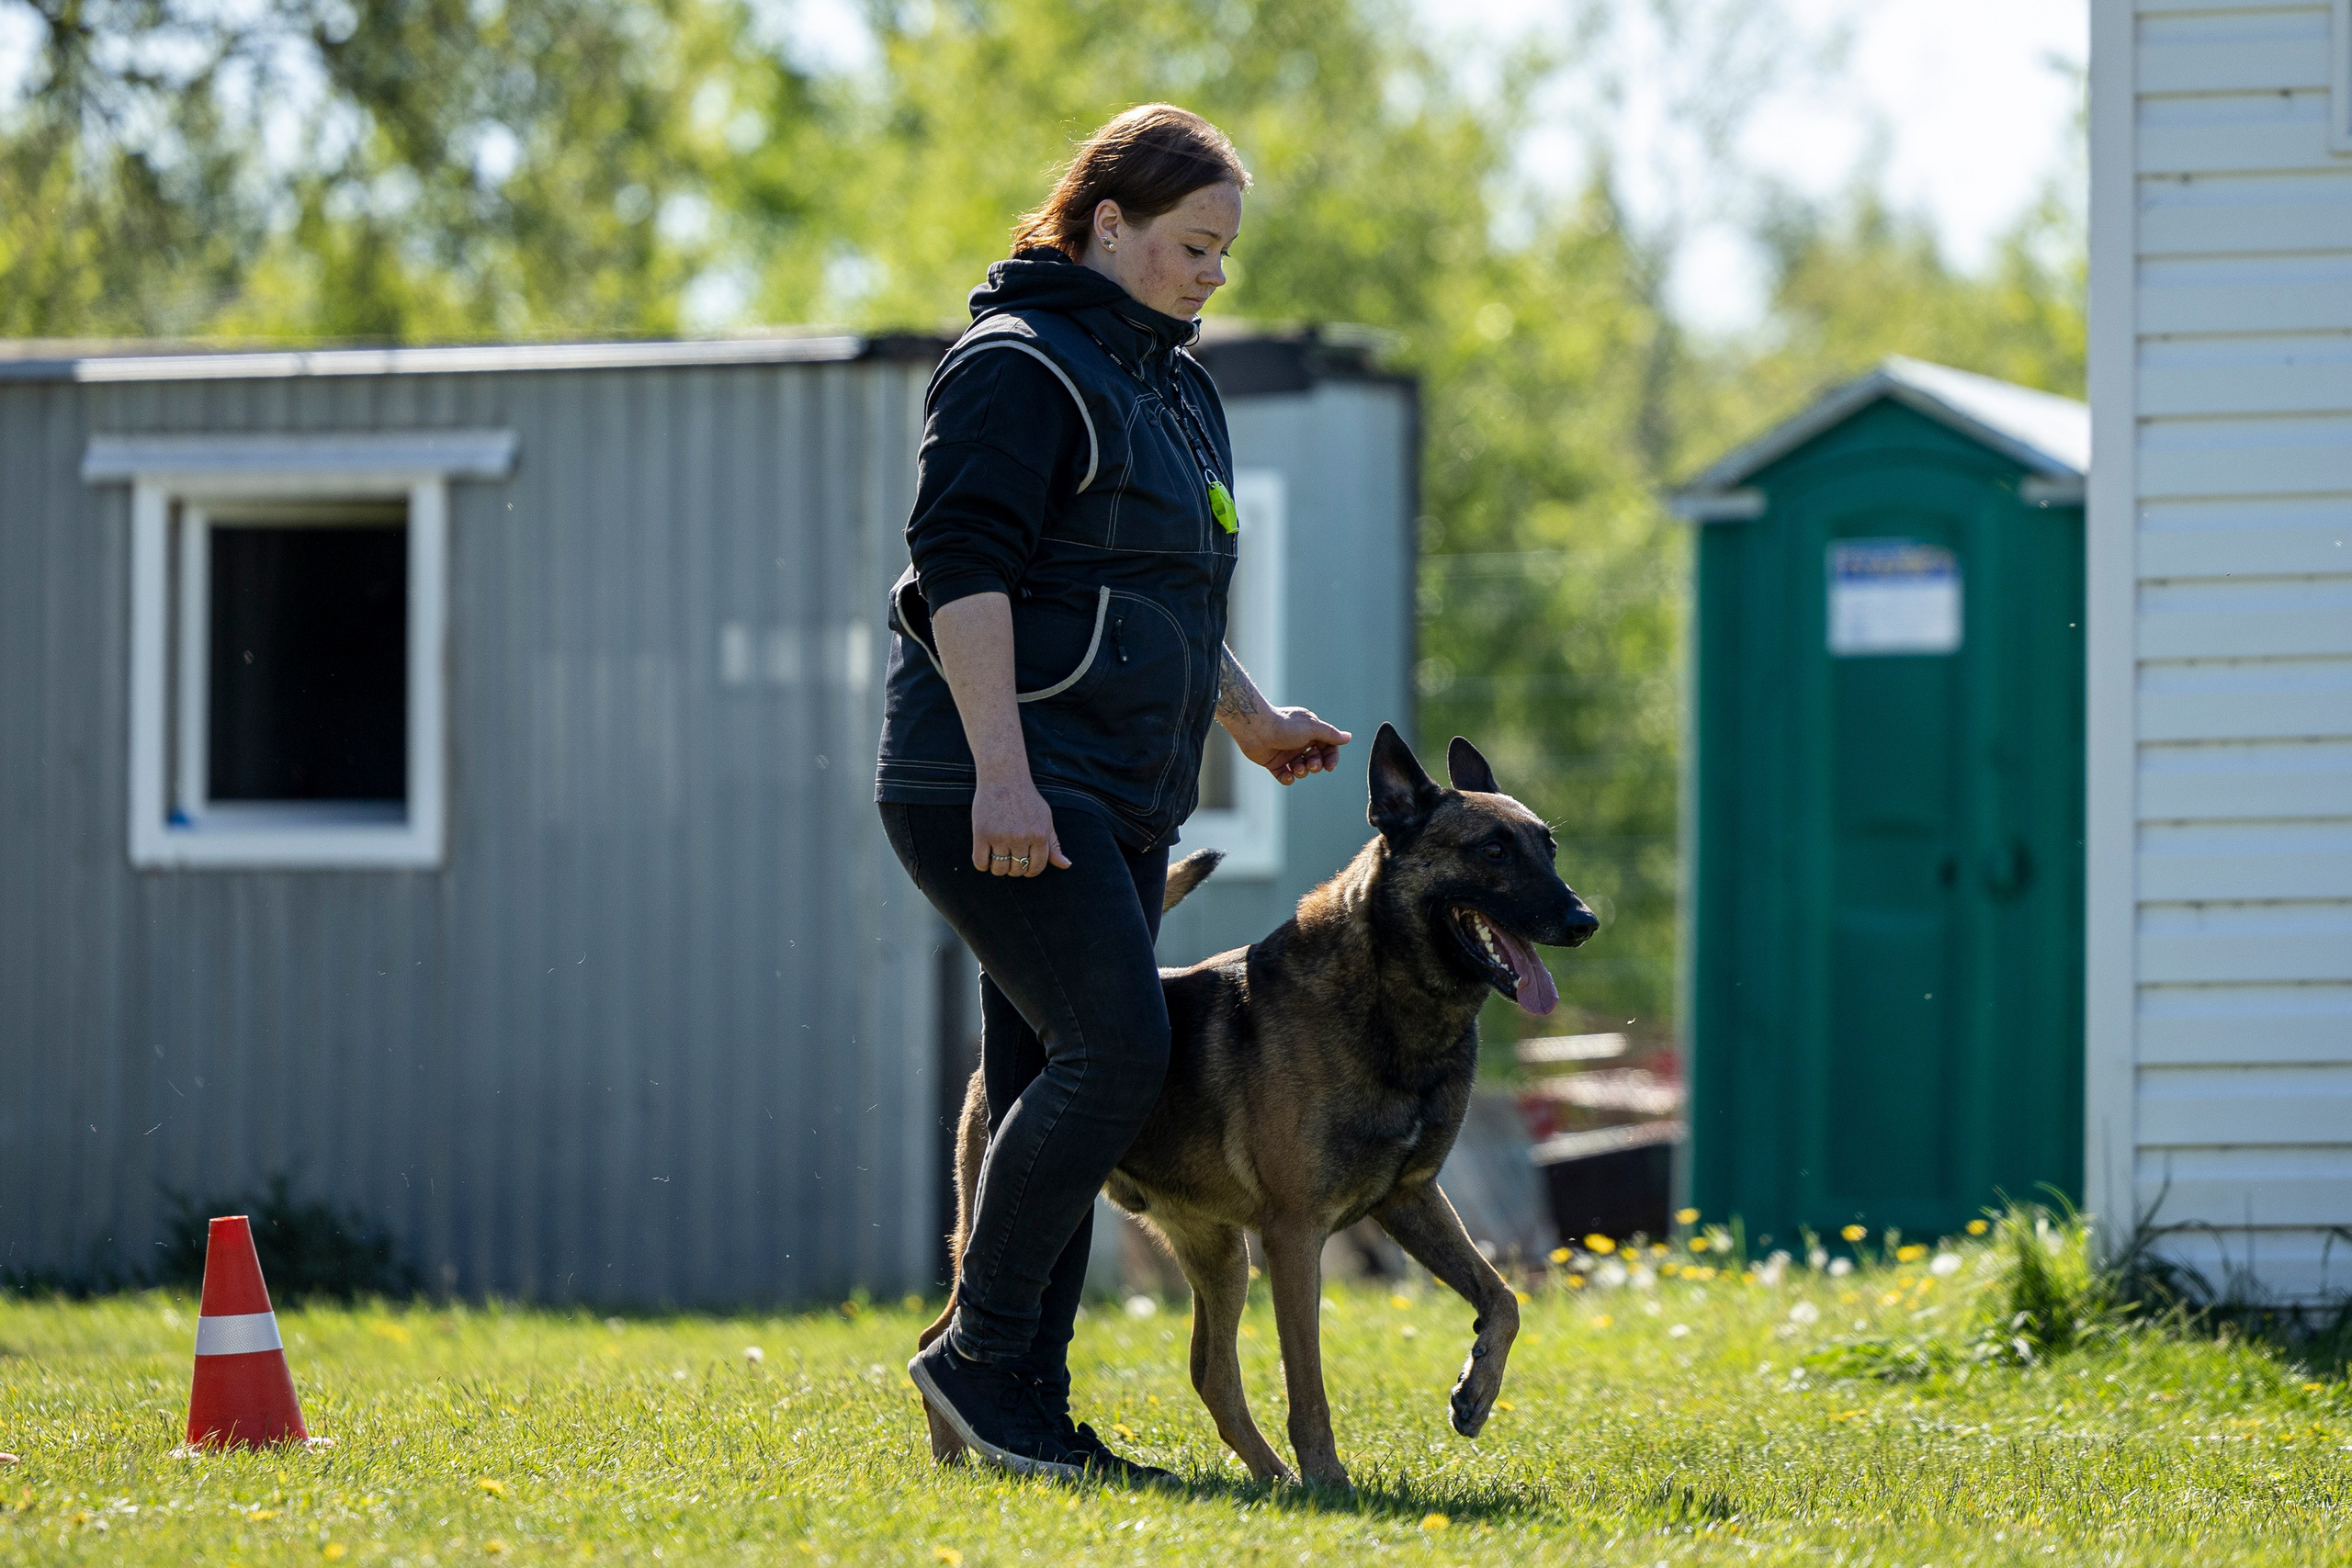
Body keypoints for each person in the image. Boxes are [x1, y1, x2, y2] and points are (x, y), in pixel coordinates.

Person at [876, 103, 1351, 1481]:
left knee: (1043, 1070)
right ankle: (978, 1360)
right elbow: (957, 572)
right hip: (998, 781)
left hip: (1120, 792)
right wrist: (1005, 780)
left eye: (1227, 253)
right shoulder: (1017, 368)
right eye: (1194, 246)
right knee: (1118, 1051)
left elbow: (1172, 586)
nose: (1215, 274)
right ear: (1105, 225)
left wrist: (1249, 720)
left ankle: (1018, 1400)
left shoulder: (1173, 387)